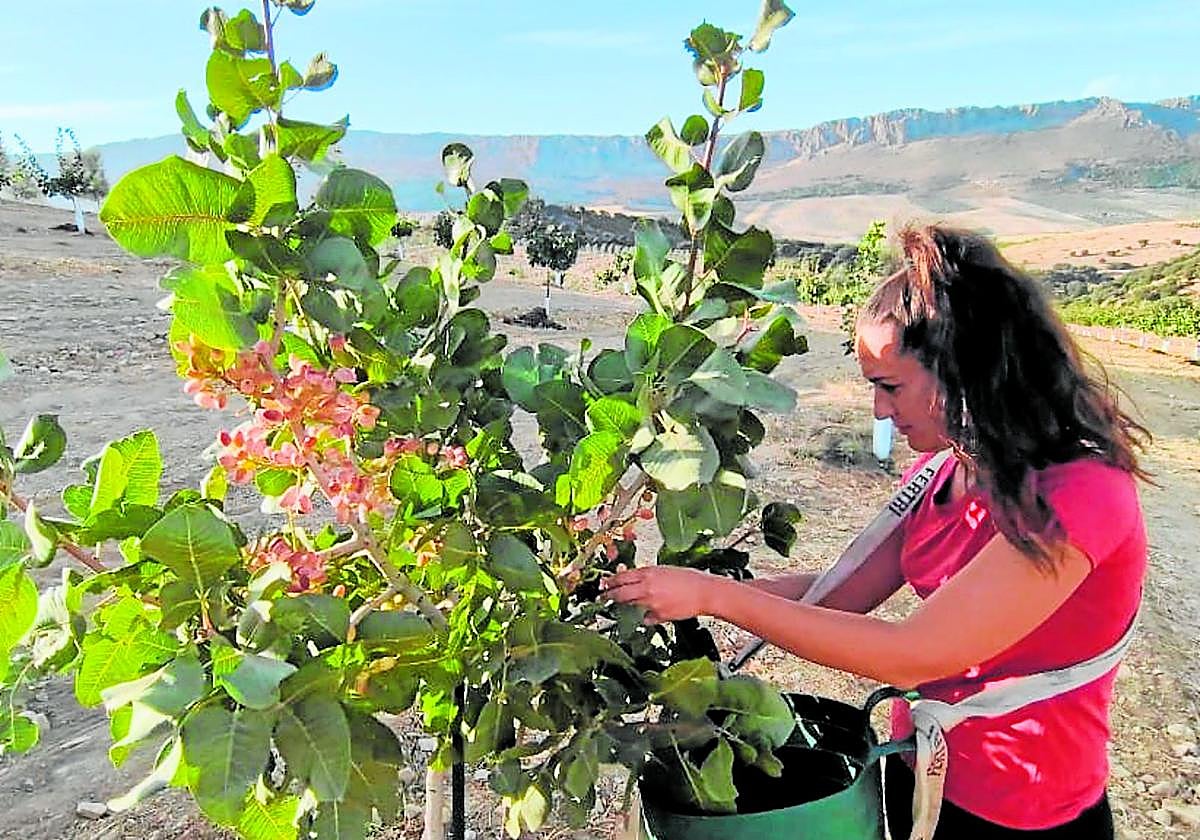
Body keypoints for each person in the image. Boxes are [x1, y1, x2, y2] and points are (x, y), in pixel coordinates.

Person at [602, 224, 1149, 838]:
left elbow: (915, 654)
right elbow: (837, 596)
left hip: (1025, 812)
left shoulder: (1081, 495)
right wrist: (683, 592)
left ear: (968, 371)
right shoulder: (946, 469)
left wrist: (714, 597)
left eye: (890, 386)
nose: (880, 412)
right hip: (921, 777)